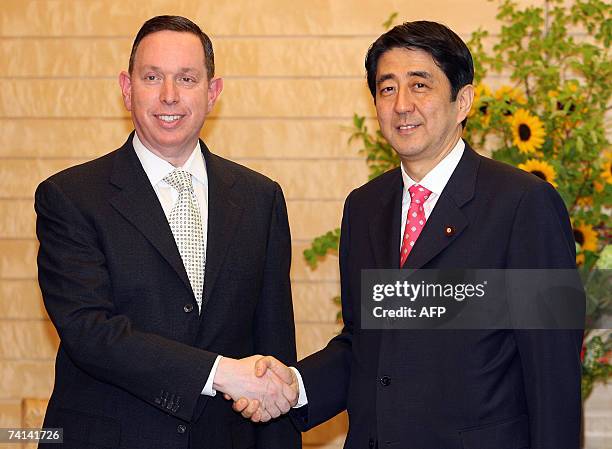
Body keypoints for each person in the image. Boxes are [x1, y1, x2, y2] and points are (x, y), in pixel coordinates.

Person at [235, 21, 584, 449]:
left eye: (420, 85)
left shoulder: (525, 204)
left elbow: (554, 377)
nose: (402, 105)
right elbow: (368, 345)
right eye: (387, 88)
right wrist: (293, 385)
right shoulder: (364, 207)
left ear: (463, 101)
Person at [35, 15, 300, 449]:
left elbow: (273, 348)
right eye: (153, 77)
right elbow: (89, 332)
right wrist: (219, 373)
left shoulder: (260, 198)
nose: (169, 96)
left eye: (187, 78)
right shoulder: (70, 197)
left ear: (212, 93)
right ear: (127, 88)